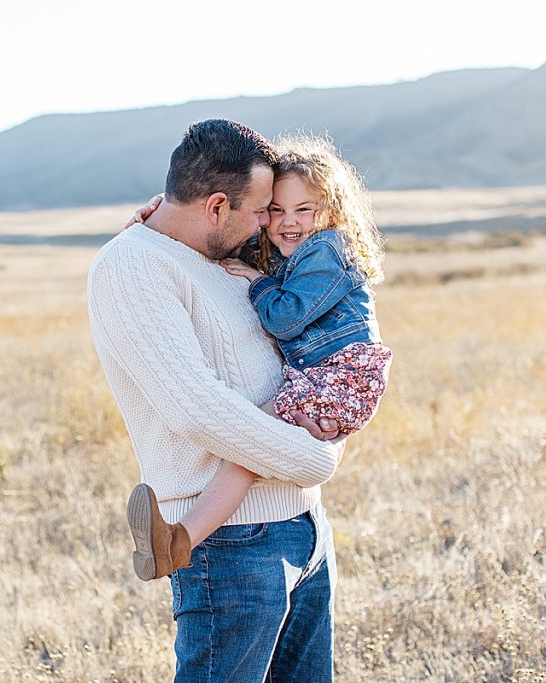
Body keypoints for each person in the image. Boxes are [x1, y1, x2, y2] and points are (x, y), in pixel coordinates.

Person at [87, 119, 345, 682]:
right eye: (259, 212)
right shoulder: (132, 266)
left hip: (304, 526)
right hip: (231, 549)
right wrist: (314, 459)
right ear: (217, 205)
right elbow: (195, 407)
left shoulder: (224, 248)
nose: (267, 224)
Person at [126, 135, 391, 601]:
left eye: (303, 210)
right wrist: (160, 214)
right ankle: (179, 539)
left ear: (331, 211)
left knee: (253, 438)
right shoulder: (291, 249)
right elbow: (212, 234)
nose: (285, 223)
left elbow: (286, 314)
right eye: (273, 210)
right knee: (254, 441)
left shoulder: (326, 251)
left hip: (344, 373)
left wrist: (259, 284)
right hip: (330, 376)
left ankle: (182, 538)